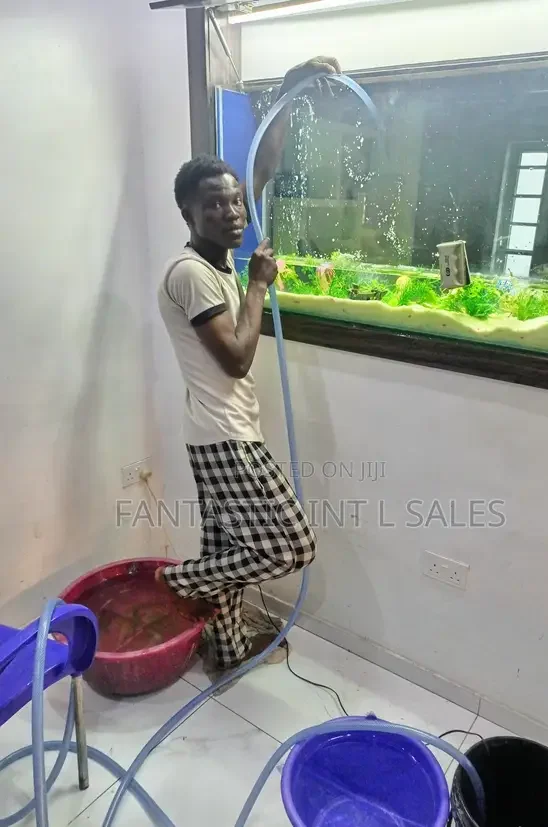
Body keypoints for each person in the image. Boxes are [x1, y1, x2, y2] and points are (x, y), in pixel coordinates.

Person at [156, 57, 341, 677]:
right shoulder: (191, 272)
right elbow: (236, 359)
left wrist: (289, 89)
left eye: (235, 201)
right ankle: (180, 581)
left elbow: (263, 169)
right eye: (215, 204)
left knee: (229, 548)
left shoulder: (216, 261)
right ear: (188, 213)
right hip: (225, 437)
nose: (234, 212)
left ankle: (228, 650)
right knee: (293, 545)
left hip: (214, 433)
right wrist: (258, 285)